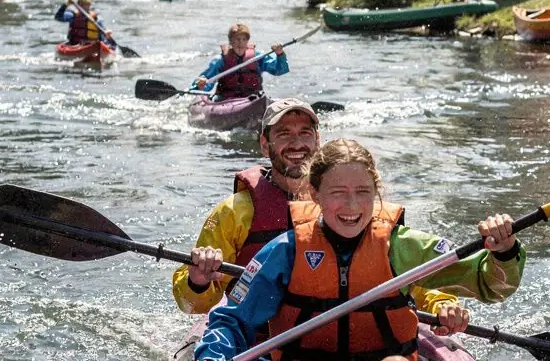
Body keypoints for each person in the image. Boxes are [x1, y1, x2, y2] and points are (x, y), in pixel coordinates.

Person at [179, 138, 524, 361]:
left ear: (376, 193)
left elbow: (489, 284)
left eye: (362, 192)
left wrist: (504, 250)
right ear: (314, 195)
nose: (351, 205)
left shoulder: (402, 246)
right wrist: (209, 359)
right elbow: (232, 316)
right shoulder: (286, 250)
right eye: (338, 192)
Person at [172, 101, 472, 335]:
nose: (297, 144)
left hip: (350, 336)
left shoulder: (350, 208)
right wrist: (198, 281)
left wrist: (443, 303)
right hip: (259, 339)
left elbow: (406, 273)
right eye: (284, 134)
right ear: (265, 144)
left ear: (317, 139)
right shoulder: (235, 212)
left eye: (305, 133)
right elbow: (191, 304)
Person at [191, 21, 288, 99]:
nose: (240, 43)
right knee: (215, 98)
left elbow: (279, 70)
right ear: (230, 41)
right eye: (237, 39)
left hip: (252, 98)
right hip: (225, 99)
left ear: (247, 41)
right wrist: (201, 85)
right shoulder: (220, 61)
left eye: (244, 39)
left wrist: (280, 54)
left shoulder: (257, 58)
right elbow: (207, 83)